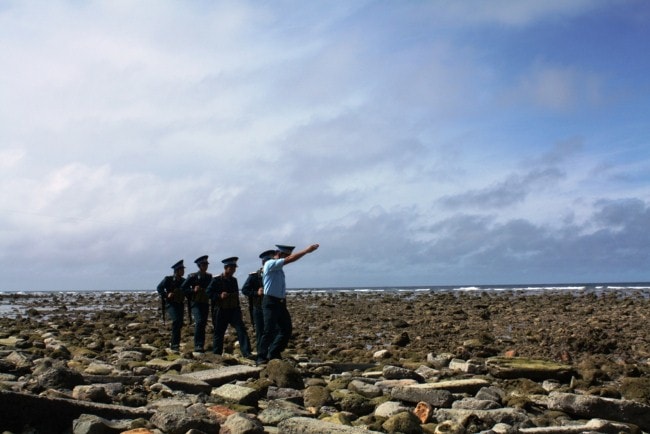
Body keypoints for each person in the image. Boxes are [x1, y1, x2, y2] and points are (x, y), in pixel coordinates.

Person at [258, 243, 319, 364]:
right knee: (268, 330)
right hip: (270, 301)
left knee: (286, 329)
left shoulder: (279, 269)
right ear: (279, 254)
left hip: (280, 303)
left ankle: (274, 352)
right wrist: (306, 250)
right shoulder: (270, 263)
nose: (287, 258)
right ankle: (261, 357)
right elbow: (290, 260)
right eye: (286, 255)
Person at [206, 257, 252, 358]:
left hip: (233, 310)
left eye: (234, 268)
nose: (233, 270)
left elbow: (235, 296)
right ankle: (216, 355)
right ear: (226, 268)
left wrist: (238, 310)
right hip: (221, 310)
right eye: (231, 268)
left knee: (241, 329)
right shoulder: (216, 280)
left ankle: (247, 353)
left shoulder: (234, 280)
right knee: (219, 332)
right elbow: (208, 293)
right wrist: (219, 296)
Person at [241, 249, 275, 359]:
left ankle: (271, 353)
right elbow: (244, 290)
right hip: (258, 307)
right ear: (264, 263)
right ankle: (261, 356)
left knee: (272, 331)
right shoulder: (254, 276)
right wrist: (256, 292)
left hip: (271, 307)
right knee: (260, 332)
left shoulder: (274, 275)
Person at [181, 255, 212, 352]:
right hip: (195, 302)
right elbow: (183, 288)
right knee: (199, 322)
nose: (205, 266)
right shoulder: (192, 276)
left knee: (203, 323)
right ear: (199, 265)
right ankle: (198, 345)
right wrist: (192, 290)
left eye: (206, 264)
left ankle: (201, 345)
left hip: (205, 302)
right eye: (203, 264)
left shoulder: (209, 276)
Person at [156, 259, 186, 351]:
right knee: (176, 321)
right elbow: (159, 288)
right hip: (171, 304)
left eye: (183, 269)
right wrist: (166, 295)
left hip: (180, 303)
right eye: (181, 270)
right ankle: (174, 345)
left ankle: (176, 343)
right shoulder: (168, 279)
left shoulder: (184, 281)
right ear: (177, 271)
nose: (183, 271)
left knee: (179, 323)